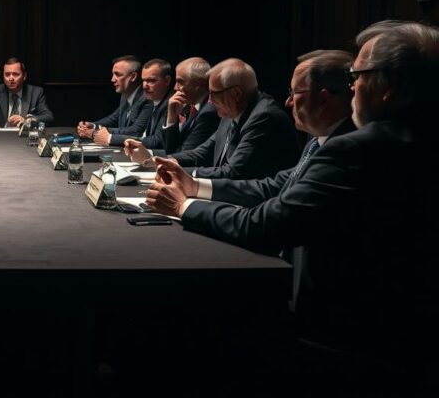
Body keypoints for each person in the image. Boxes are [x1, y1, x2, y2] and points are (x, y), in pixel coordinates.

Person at [146, 22, 438, 392]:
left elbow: (268, 225)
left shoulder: (360, 149)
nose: (351, 89)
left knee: (188, 335)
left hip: (341, 336)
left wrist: (184, 207)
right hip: (396, 333)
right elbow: (278, 184)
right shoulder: (401, 139)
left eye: (357, 77)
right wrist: (197, 186)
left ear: (390, 88)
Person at [127, 58, 297, 179]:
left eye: (213, 94)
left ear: (236, 93)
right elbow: (201, 153)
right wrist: (156, 161)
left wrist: (183, 173)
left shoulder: (263, 117)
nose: (209, 100)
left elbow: (233, 172)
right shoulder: (233, 110)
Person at [77, 55, 152, 146]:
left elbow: (135, 131)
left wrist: (96, 131)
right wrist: (91, 125)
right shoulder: (125, 95)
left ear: (133, 77)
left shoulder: (148, 98)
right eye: (113, 74)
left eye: (118, 74)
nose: (112, 79)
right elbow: (112, 119)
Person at [0, 57, 54, 128]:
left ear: (24, 76)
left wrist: (27, 120)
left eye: (15, 74)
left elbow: (48, 117)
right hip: (1, 137)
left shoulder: (36, 93)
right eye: (7, 74)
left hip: (25, 136)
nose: (11, 78)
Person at [116, 58, 172, 147]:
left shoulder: (170, 104)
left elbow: (156, 140)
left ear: (167, 81)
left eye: (151, 80)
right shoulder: (152, 100)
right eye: (144, 80)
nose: (145, 86)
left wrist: (111, 138)